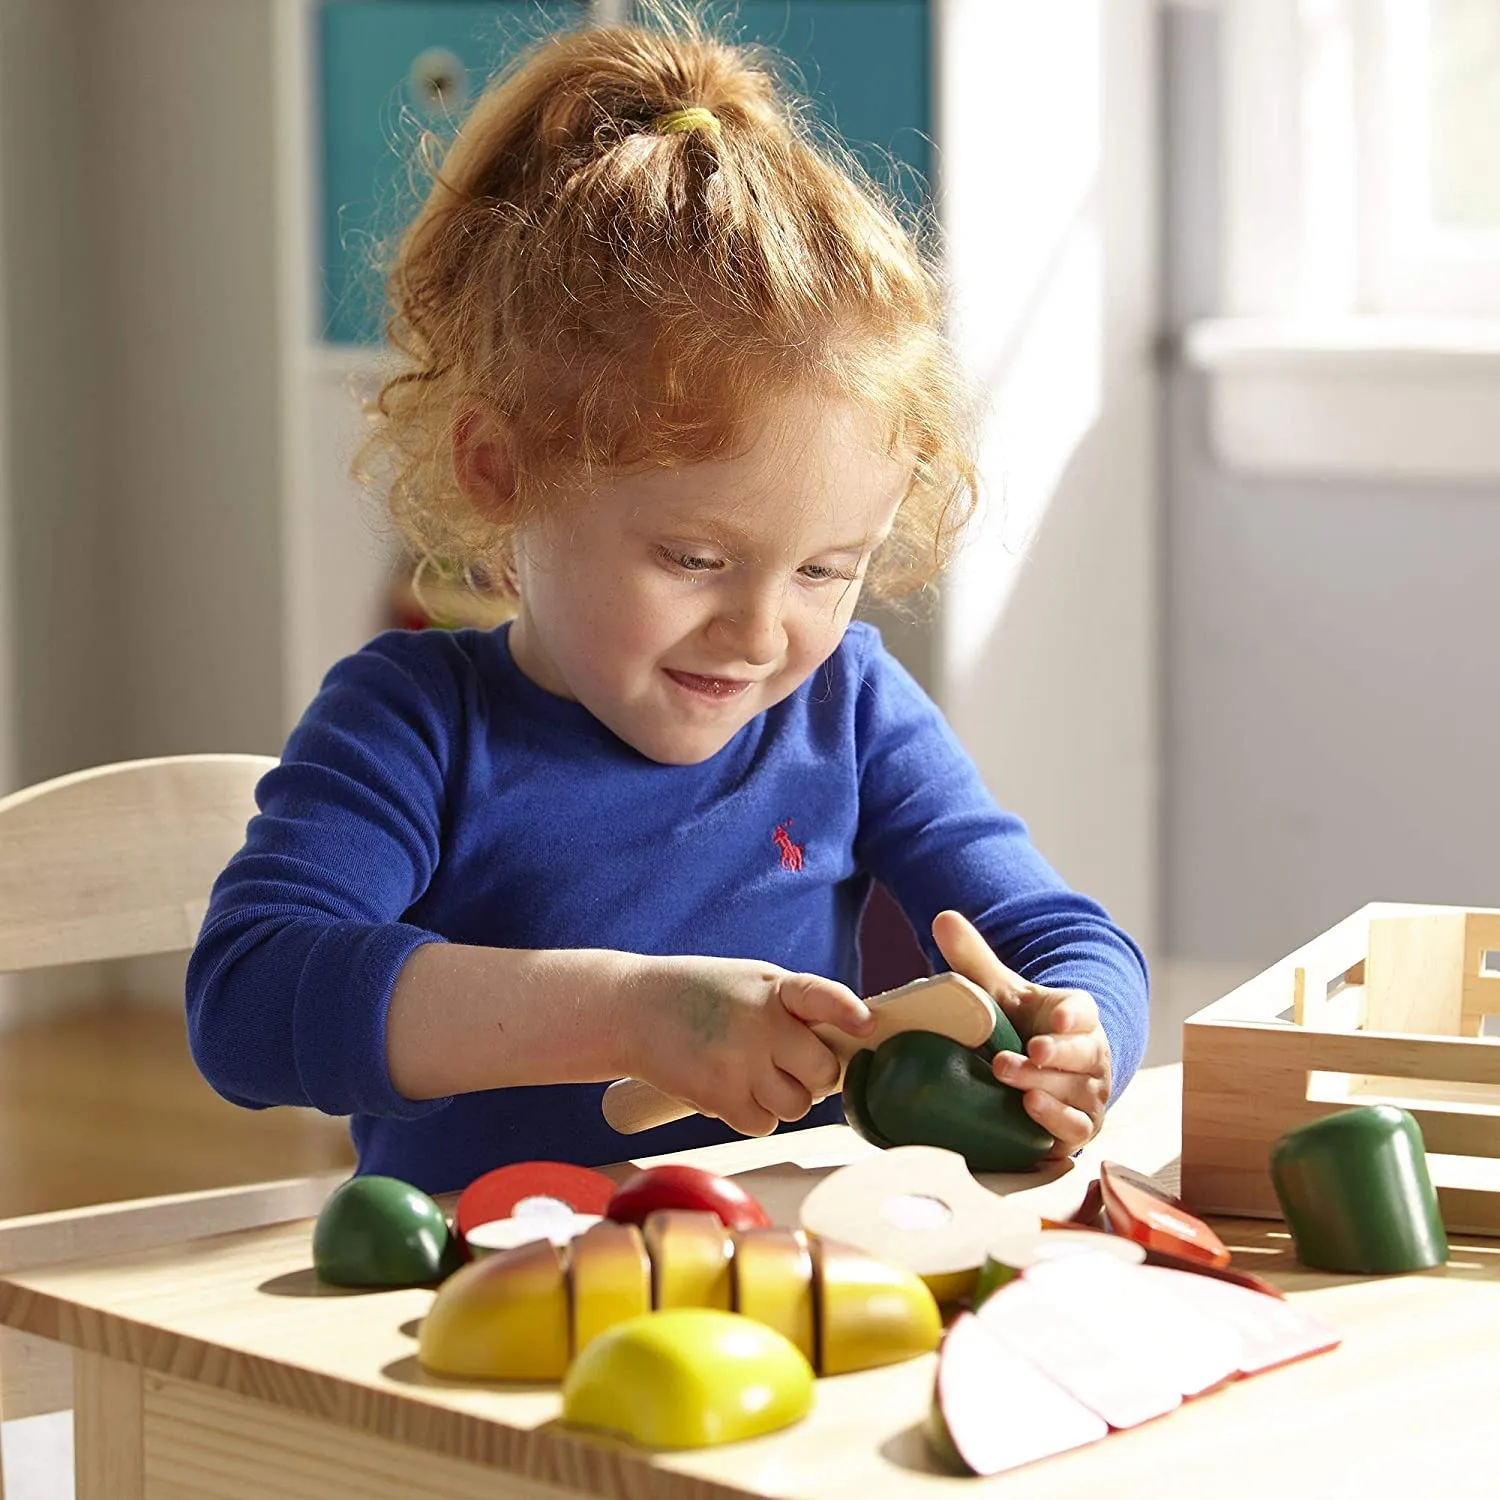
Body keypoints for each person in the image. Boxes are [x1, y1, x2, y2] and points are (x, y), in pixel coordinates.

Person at [186, 10, 1149, 1197]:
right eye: (695, 559)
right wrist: (637, 1013)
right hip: (474, 1324)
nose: (760, 634)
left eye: (822, 569)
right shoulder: (414, 721)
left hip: (782, 1302)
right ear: (505, 472)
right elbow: (249, 999)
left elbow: (1067, 940)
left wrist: (1079, 1034)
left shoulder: (850, 706)